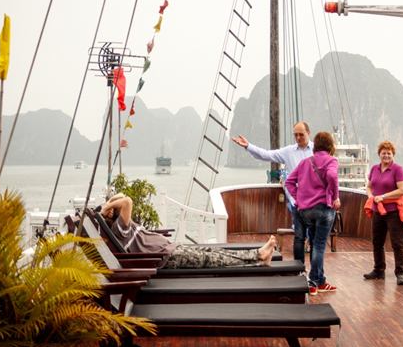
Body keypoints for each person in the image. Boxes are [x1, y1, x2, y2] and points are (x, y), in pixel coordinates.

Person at [98, 193, 277, 268]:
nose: (113, 209)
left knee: (213, 251)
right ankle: (259, 258)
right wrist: (107, 207)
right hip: (166, 257)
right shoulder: (118, 229)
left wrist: (108, 204)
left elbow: (122, 197)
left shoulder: (123, 224)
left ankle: (258, 254)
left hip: (170, 249)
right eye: (110, 211)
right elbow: (127, 201)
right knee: (213, 259)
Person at [284, 131, 340, 295]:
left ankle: (320, 281)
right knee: (319, 245)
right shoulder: (331, 160)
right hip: (323, 208)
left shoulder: (305, 162)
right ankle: (314, 281)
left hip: (305, 210)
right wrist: (335, 197)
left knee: (315, 243)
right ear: (330, 146)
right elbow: (332, 175)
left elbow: (289, 182)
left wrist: (298, 198)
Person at [232, 121, 313, 218]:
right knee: (300, 227)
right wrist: (248, 146)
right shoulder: (288, 152)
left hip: (315, 200)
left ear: (308, 133)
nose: (298, 138)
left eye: (301, 134)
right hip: (296, 201)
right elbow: (266, 155)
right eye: (295, 135)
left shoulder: (318, 150)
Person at [363, 140, 403, 285]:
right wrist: (370, 196)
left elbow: (402, 190)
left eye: (389, 153)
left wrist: (383, 196)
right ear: (379, 154)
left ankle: (400, 273)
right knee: (377, 242)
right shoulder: (374, 169)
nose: (386, 156)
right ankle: (378, 270)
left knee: (397, 243)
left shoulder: (398, 169)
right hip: (378, 210)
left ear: (393, 154)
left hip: (393, 211)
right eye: (384, 153)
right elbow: (369, 186)